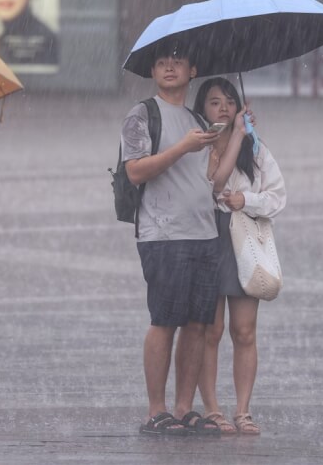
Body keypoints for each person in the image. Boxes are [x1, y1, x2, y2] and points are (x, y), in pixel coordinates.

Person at [121, 41, 243, 436]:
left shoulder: (197, 118)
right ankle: (156, 410)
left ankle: (185, 407)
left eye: (177, 61)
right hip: (163, 235)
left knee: (197, 325)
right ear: (153, 73)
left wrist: (236, 135)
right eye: (161, 63)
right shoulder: (143, 115)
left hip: (204, 232)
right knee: (165, 321)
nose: (169, 67)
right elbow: (136, 171)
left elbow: (210, 180)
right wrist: (183, 146)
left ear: (193, 71)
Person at [184, 77, 286, 435]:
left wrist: (248, 200)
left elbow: (277, 196)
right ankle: (212, 408)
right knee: (210, 331)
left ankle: (243, 410)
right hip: (206, 238)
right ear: (202, 108)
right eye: (214, 102)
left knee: (244, 331)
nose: (223, 107)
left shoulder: (254, 148)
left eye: (230, 100)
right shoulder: (196, 145)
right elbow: (202, 188)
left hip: (244, 241)